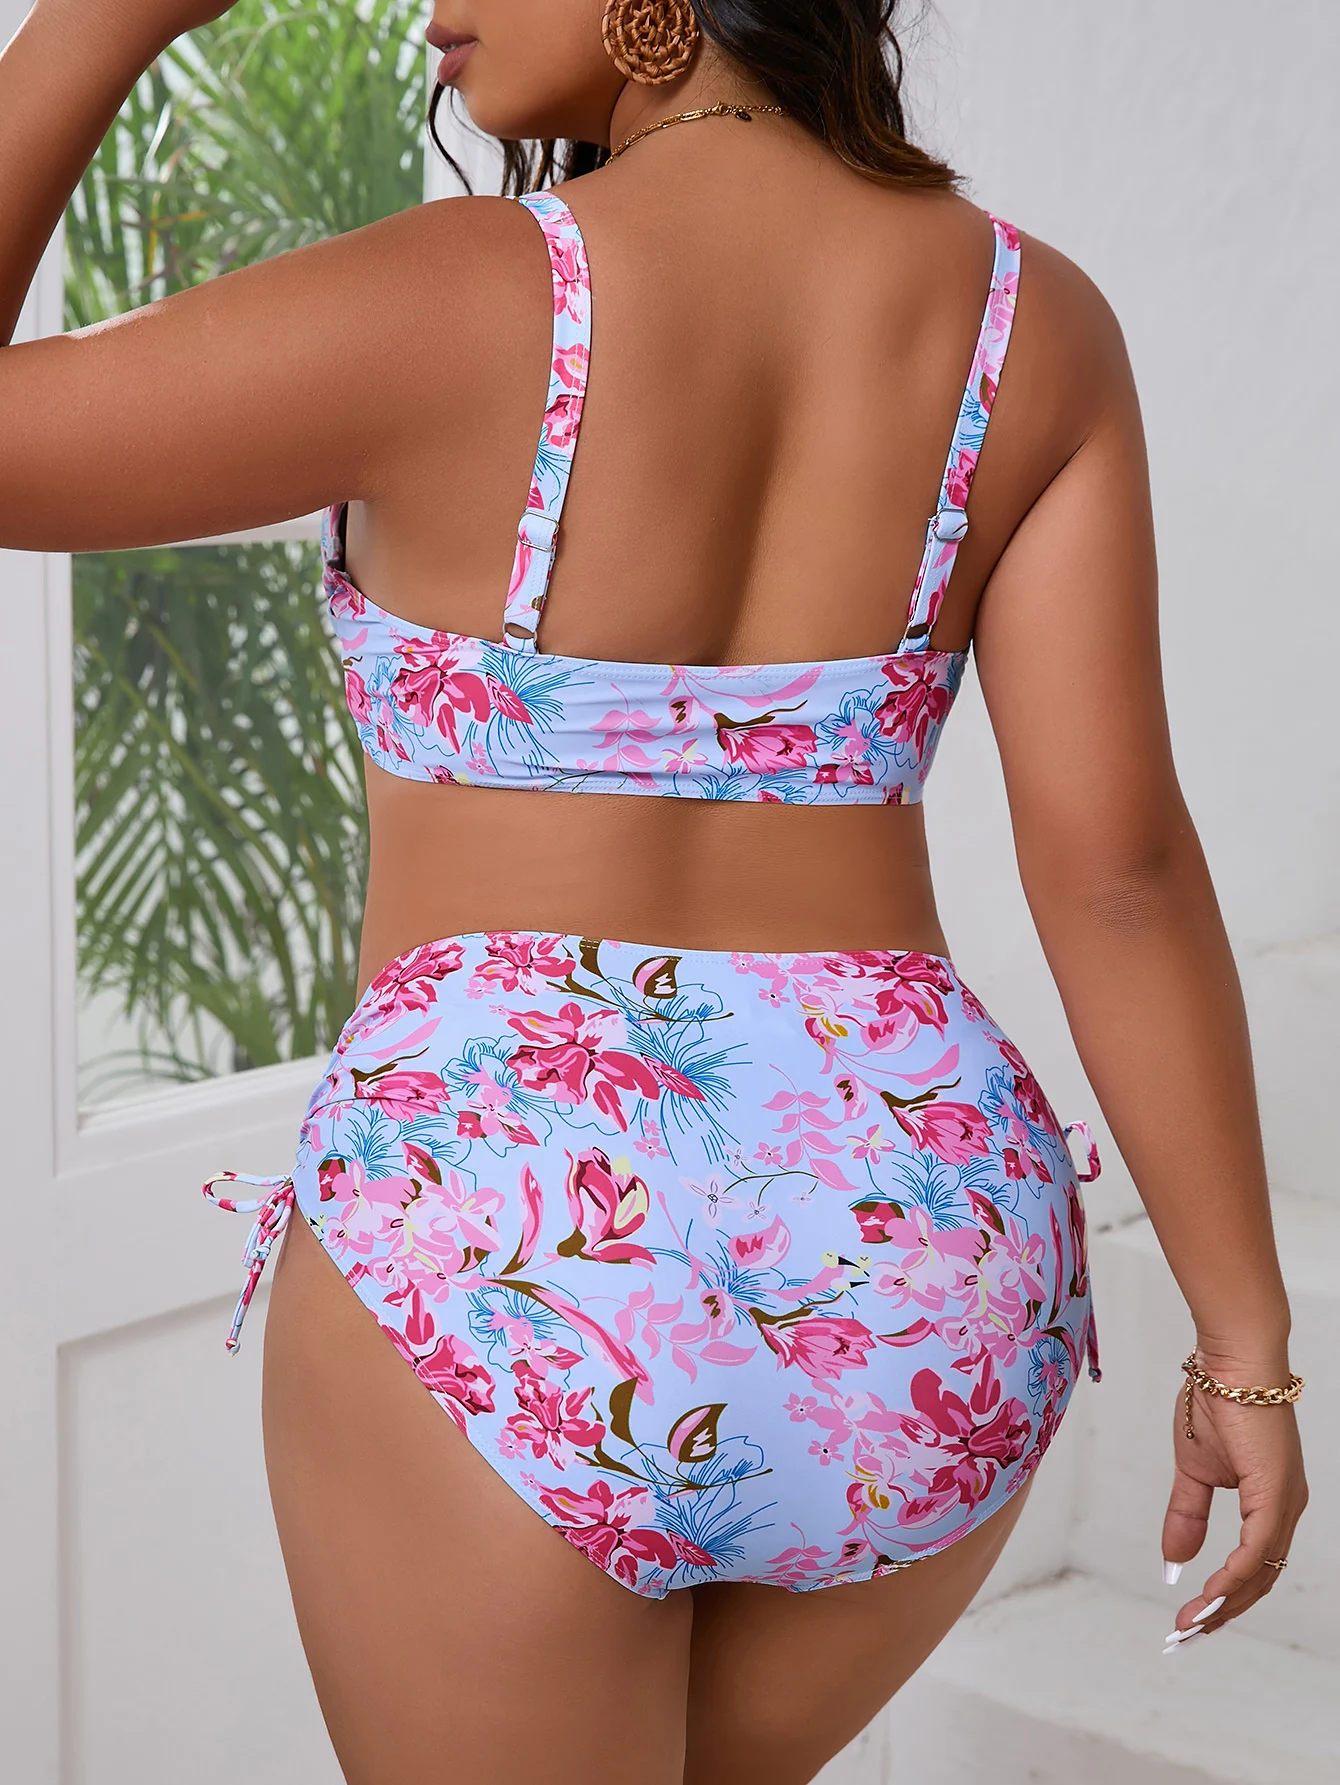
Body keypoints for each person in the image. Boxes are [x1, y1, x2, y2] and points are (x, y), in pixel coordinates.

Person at [0, 2, 1309, 1781]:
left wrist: (105, 19)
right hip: (927, 1254)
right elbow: (1123, 870)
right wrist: (1243, 1344)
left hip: (514, 1228)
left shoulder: (454, 296)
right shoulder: (1030, 319)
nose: (433, 7)